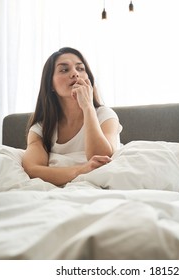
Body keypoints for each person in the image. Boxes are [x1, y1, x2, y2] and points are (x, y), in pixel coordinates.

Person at [22, 47, 122, 186]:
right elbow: (33, 169)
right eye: (64, 70)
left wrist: (87, 107)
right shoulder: (40, 129)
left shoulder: (105, 115)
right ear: (50, 84)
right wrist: (81, 170)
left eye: (80, 69)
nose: (75, 74)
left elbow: (101, 158)